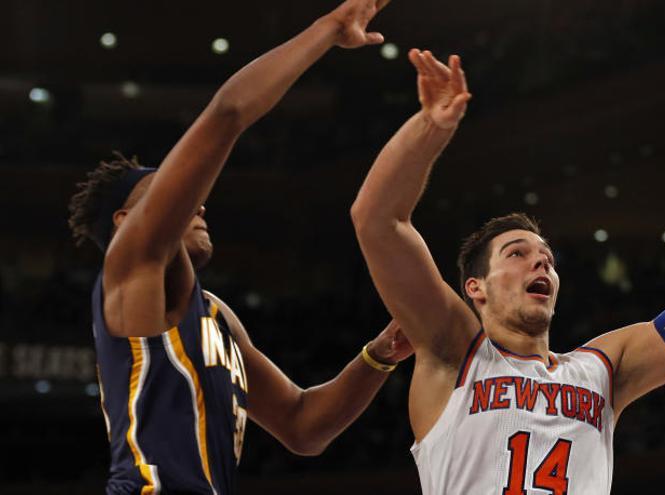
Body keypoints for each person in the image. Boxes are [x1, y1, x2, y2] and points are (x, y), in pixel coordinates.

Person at [350, 49, 665, 494]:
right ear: (474, 289)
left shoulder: (602, 369)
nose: (540, 260)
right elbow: (376, 220)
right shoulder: (452, 350)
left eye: (546, 255)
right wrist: (430, 129)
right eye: (517, 253)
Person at [66, 1, 412, 493]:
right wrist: (329, 27)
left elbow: (302, 425)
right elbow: (227, 114)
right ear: (126, 221)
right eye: (167, 194)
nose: (198, 204)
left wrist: (379, 356)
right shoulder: (130, 260)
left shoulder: (215, 316)